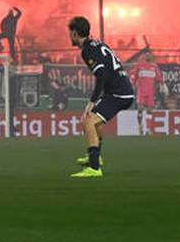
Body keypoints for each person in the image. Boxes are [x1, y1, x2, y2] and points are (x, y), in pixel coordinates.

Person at [67, 16, 134, 178]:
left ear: (75, 34)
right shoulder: (96, 43)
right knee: (90, 121)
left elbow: (101, 75)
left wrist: (91, 102)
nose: (69, 36)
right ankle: (95, 156)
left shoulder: (87, 50)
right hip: (119, 91)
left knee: (89, 120)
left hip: (119, 94)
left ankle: (95, 168)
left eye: (70, 33)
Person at [129, 52, 165, 133]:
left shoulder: (154, 67)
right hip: (141, 92)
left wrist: (162, 85)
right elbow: (134, 78)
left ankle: (148, 129)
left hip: (150, 93)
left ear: (151, 57)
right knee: (140, 109)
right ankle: (140, 126)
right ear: (144, 57)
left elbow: (159, 79)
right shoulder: (139, 66)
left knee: (149, 111)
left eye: (149, 55)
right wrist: (133, 85)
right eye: (146, 55)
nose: (148, 56)